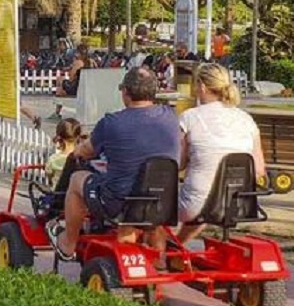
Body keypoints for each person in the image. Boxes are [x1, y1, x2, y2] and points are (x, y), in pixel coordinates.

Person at [56, 66, 182, 259]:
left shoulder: (112, 122)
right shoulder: (171, 117)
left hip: (119, 201)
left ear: (125, 92)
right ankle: (159, 261)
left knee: (76, 179)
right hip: (161, 201)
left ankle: (68, 243)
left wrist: (78, 150)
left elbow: (86, 152)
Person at [175, 62, 267, 249]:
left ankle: (158, 253)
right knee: (204, 208)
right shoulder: (246, 119)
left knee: (154, 205)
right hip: (238, 203)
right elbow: (259, 170)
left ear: (202, 86)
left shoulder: (189, 117)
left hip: (198, 203)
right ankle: (176, 245)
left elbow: (178, 164)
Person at [44, 118, 84, 190]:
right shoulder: (82, 158)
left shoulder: (53, 159)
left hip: (58, 195)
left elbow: (48, 175)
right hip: (76, 195)